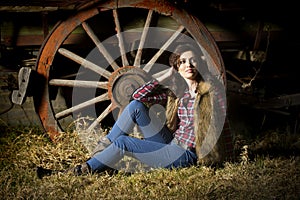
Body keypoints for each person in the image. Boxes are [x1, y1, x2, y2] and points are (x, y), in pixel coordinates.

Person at [70, 43, 233, 175]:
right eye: (182, 62)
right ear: (176, 66)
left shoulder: (211, 90)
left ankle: (83, 170)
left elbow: (222, 122)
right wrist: (161, 78)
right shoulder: (179, 90)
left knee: (123, 143)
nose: (188, 65)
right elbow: (137, 97)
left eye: (193, 60)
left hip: (186, 155)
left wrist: (227, 156)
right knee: (136, 107)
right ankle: (101, 152)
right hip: (171, 142)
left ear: (200, 62)